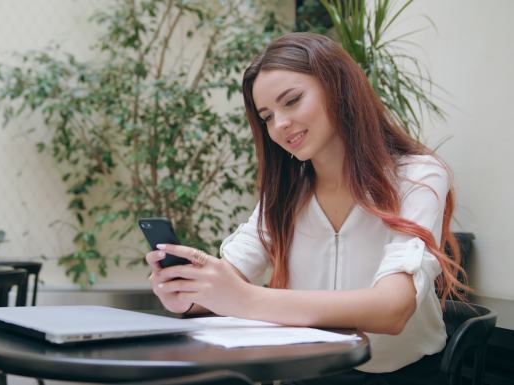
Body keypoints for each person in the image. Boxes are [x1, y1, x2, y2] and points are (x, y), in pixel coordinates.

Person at [145, 32, 466, 384]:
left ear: (338, 87)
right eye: (266, 116)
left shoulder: (417, 176)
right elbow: (230, 277)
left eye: (292, 101)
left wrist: (247, 299)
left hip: (403, 376)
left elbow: (392, 308)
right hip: (308, 374)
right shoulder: (285, 195)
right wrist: (188, 293)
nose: (279, 124)